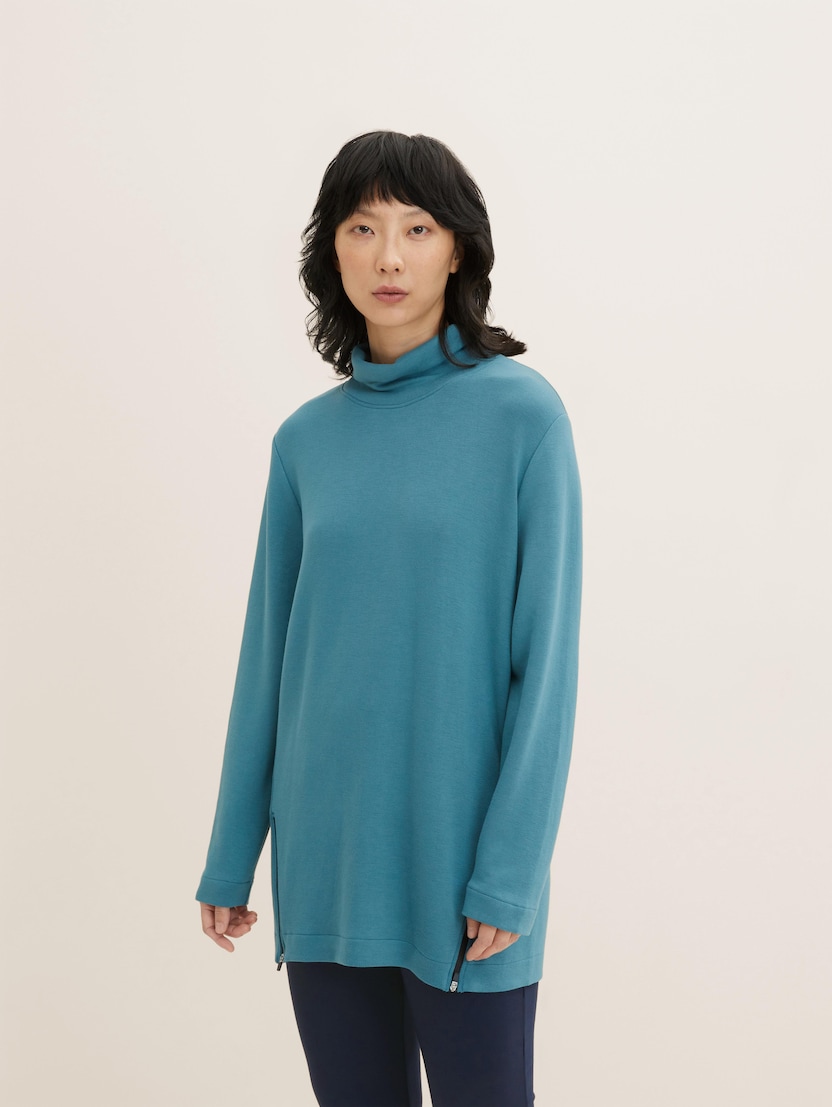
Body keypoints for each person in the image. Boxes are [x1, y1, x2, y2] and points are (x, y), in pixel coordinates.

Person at [196, 130, 583, 1107]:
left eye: (417, 228)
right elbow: (268, 662)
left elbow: (546, 669)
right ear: (331, 250)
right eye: (362, 229)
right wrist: (231, 854)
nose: (389, 257)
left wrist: (509, 875)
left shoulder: (523, 418)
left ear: (458, 250)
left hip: (463, 873)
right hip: (327, 865)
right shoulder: (304, 443)